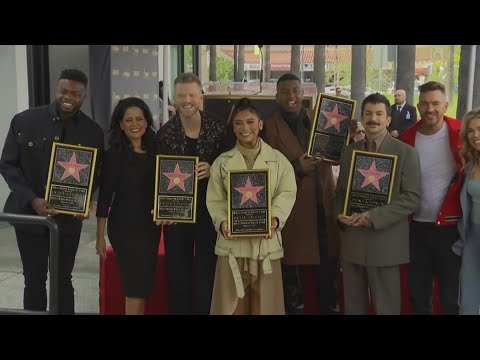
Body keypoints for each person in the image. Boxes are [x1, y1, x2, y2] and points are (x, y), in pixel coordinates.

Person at [0, 69, 104, 314]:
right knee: (33, 279)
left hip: (69, 220)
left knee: (63, 280)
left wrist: (85, 200)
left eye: (76, 94)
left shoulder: (93, 132)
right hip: (28, 216)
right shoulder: (24, 120)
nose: (68, 97)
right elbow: (7, 164)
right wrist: (31, 199)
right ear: (57, 90)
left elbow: (96, 173)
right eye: (64, 91)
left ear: (84, 96)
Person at [206, 98, 297, 314]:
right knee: (232, 306)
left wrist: (274, 219)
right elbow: (215, 200)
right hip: (232, 245)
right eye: (238, 123)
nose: (244, 128)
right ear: (233, 127)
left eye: (250, 122)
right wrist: (222, 223)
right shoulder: (222, 162)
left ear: (260, 124)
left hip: (265, 246)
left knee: (264, 306)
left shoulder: (278, 160)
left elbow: (287, 193)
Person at [336, 93, 421, 315]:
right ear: (362, 117)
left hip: (386, 241)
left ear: (388, 119)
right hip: (353, 239)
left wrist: (374, 217)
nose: (373, 118)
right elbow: (340, 194)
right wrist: (339, 215)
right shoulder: (348, 153)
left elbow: (412, 197)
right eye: (368, 114)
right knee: (353, 306)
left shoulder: (406, 153)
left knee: (387, 307)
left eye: (379, 114)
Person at [264, 73, 340, 315]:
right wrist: (296, 168)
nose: (291, 96)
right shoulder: (268, 127)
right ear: (276, 97)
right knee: (292, 282)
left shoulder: (322, 119)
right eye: (285, 92)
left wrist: (349, 135)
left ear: (303, 93)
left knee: (328, 278)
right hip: (293, 212)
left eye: (295, 90)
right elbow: (265, 169)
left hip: (325, 206)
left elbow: (339, 152)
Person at [155, 72, 227, 314]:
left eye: (192, 95)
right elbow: (157, 175)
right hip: (177, 215)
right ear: (173, 99)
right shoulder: (164, 134)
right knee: (178, 273)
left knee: (208, 272)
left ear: (201, 97)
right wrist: (160, 207)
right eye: (181, 95)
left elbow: (232, 165)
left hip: (211, 212)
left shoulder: (219, 128)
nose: (187, 100)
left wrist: (214, 168)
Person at [400, 81, 463, 315]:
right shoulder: (406, 138)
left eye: (435, 103)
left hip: (451, 228)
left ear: (446, 105)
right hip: (415, 229)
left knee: (450, 298)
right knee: (418, 296)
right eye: (425, 104)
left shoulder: (461, 133)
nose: (430, 109)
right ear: (418, 106)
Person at [95, 97, 160, 315]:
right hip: (125, 229)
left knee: (142, 287)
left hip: (150, 228)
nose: (135, 124)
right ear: (121, 124)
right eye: (129, 120)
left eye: (139, 119)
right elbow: (104, 198)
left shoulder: (155, 151)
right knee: (134, 287)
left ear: (147, 121)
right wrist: (100, 236)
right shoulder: (114, 155)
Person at [455, 108, 480, 315]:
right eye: (470, 131)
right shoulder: (472, 163)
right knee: (469, 299)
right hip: (472, 237)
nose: (475, 135)